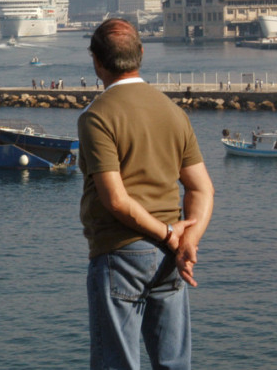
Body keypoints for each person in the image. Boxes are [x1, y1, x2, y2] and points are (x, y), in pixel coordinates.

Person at [78, 18, 214, 369]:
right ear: (141, 52)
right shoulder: (173, 112)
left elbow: (117, 200)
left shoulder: (98, 117)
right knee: (173, 362)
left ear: (97, 61)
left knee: (116, 362)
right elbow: (201, 187)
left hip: (120, 253)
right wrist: (188, 240)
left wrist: (171, 236)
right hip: (170, 258)